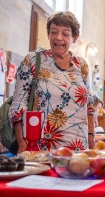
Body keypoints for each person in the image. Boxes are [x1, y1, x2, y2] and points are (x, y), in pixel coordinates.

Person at [9, 11, 95, 153]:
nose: (58, 38)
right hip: (43, 147)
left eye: (65, 34)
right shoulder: (32, 60)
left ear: (75, 37)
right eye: (54, 32)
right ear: (48, 34)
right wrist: (21, 143)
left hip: (79, 148)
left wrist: (91, 140)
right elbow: (18, 105)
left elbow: (89, 106)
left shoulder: (81, 65)